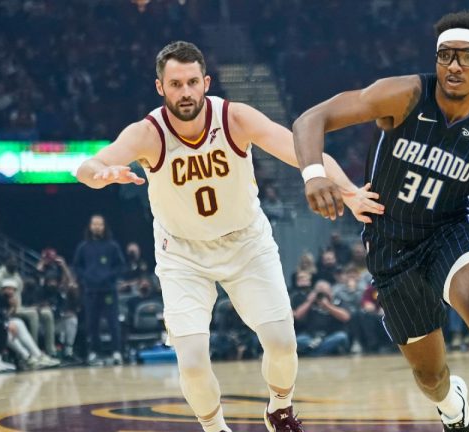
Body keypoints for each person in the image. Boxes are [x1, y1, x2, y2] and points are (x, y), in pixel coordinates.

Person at [76, 41, 380, 432]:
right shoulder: (148, 133)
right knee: (192, 361)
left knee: (283, 343)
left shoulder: (235, 118)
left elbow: (302, 150)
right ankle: (216, 428)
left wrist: (350, 191)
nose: (184, 92)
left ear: (206, 82)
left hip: (245, 242)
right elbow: (89, 164)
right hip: (182, 253)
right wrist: (101, 174)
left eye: (191, 82)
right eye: (175, 84)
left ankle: (279, 408)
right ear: (160, 88)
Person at [293, 11, 469, 432]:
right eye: (446, 55)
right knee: (431, 377)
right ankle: (452, 408)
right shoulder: (404, 94)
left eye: (467, 58)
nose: (454, 65)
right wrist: (313, 175)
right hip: (390, 241)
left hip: (450, 233)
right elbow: (312, 118)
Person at [73, 214, 126, 365]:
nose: (97, 227)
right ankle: (95, 352)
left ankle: (116, 352)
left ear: (104, 226)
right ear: (90, 226)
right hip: (90, 291)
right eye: (94, 224)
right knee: (92, 323)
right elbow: (77, 266)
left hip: (109, 291)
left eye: (100, 224)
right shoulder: (83, 247)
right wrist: (85, 278)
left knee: (113, 322)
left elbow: (121, 266)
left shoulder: (112, 246)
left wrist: (109, 277)